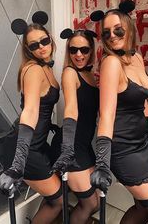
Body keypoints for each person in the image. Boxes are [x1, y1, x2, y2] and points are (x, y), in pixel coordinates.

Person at [90, 0, 148, 224]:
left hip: (142, 145)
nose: (112, 35)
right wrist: (102, 163)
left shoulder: (137, 57)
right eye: (107, 32)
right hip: (124, 150)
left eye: (117, 29)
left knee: (142, 209)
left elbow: (142, 102)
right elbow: (106, 116)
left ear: (129, 28)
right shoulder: (111, 63)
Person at [0, 12, 62, 224]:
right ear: (28, 49)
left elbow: (41, 107)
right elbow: (31, 111)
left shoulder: (46, 68)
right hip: (26, 147)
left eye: (44, 41)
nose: (41, 47)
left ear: (50, 39)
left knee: (54, 195)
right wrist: (18, 163)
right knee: (59, 201)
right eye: (34, 45)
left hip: (38, 142)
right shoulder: (33, 70)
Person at [52, 28, 100, 223]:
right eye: (73, 50)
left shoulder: (90, 76)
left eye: (84, 49)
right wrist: (67, 150)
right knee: (89, 204)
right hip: (71, 145)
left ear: (91, 50)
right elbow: (71, 109)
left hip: (84, 145)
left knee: (93, 203)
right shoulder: (70, 73)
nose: (78, 54)